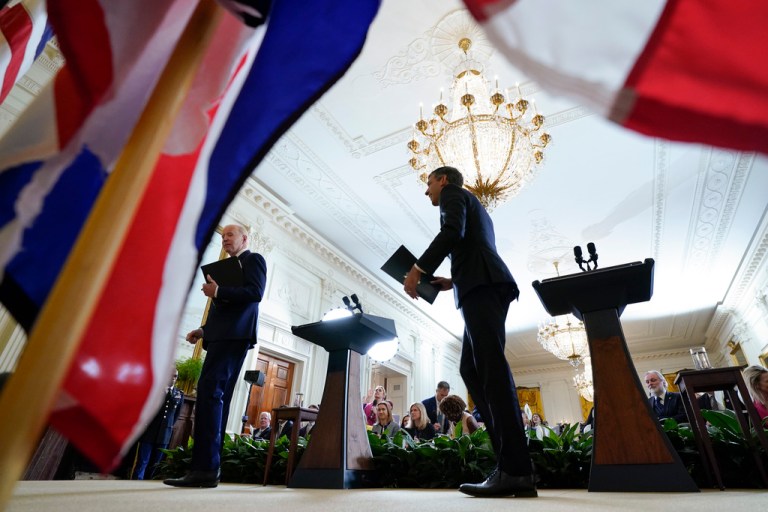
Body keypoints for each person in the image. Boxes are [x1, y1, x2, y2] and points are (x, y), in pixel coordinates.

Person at [404, 166, 535, 498]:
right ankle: (510, 463)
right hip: (479, 284)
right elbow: (469, 242)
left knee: (490, 369)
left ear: (443, 180)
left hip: (483, 286)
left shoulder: (453, 194)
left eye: (429, 183)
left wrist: (417, 270)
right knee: (472, 369)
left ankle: (516, 471)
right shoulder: (473, 204)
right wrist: (453, 281)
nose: (427, 191)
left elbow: (452, 232)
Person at [164, 224, 267, 488]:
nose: (225, 239)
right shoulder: (228, 268)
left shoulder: (254, 259)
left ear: (244, 238)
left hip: (235, 336)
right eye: (222, 236)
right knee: (214, 396)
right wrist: (203, 330)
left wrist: (218, 291)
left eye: (229, 235)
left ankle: (205, 469)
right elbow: (226, 311)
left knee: (210, 393)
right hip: (222, 336)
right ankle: (208, 469)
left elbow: (255, 293)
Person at [132, 370, 184, 480]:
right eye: (170, 375)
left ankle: (148, 485)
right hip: (149, 431)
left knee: (155, 464)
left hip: (164, 434)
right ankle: (136, 483)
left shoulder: (179, 394)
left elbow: (175, 416)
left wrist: (168, 427)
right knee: (142, 461)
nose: (173, 378)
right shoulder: (155, 390)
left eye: (175, 376)